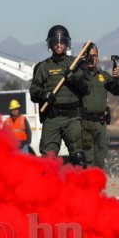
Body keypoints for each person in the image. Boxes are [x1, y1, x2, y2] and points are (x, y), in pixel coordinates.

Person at [29, 25, 89, 168]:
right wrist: (44, 95)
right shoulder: (43, 67)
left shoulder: (76, 64)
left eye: (62, 42)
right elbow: (33, 92)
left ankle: (80, 190)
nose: (59, 45)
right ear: (50, 44)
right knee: (47, 161)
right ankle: (50, 190)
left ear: (67, 44)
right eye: (55, 42)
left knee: (79, 158)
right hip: (51, 118)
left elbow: (86, 88)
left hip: (72, 118)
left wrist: (73, 78)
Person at [81, 43, 119, 169]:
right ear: (83, 56)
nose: (92, 58)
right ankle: (86, 188)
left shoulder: (103, 76)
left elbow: (118, 90)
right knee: (87, 161)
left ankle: (97, 188)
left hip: (101, 123)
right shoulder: (78, 75)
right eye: (89, 55)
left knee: (99, 160)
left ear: (97, 57)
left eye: (94, 55)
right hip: (85, 123)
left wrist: (116, 78)